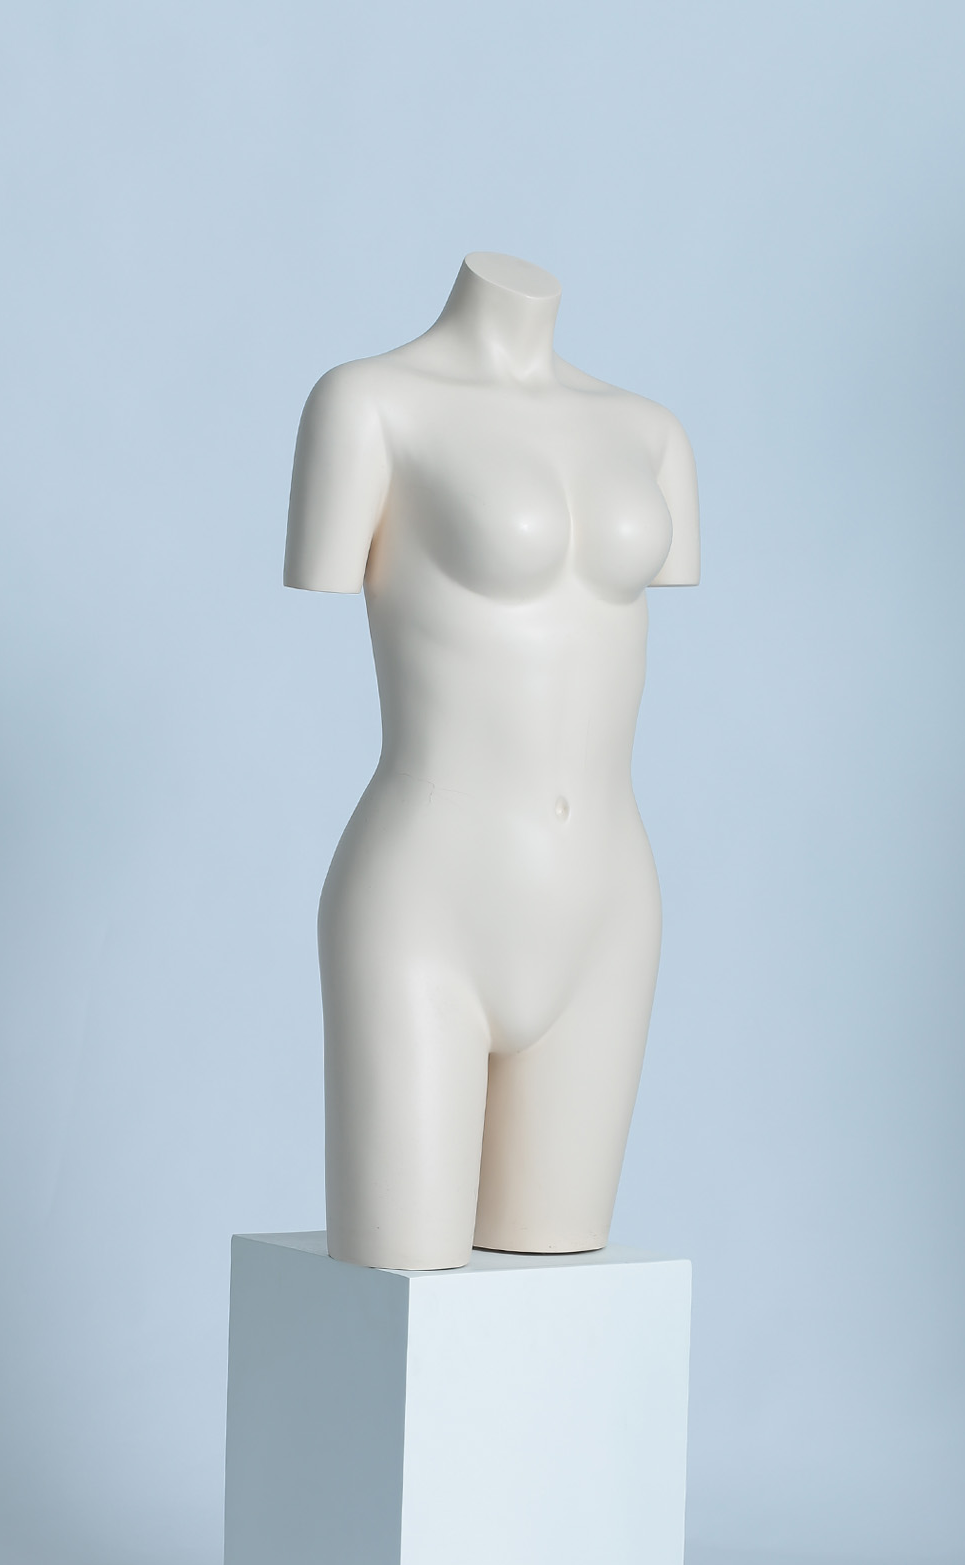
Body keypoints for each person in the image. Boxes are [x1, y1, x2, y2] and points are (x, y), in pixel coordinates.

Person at [285, 252, 699, 1270]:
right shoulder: (367, 404)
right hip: (428, 898)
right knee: (397, 1281)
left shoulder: (649, 431)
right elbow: (326, 570)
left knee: (558, 1284)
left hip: (606, 901)